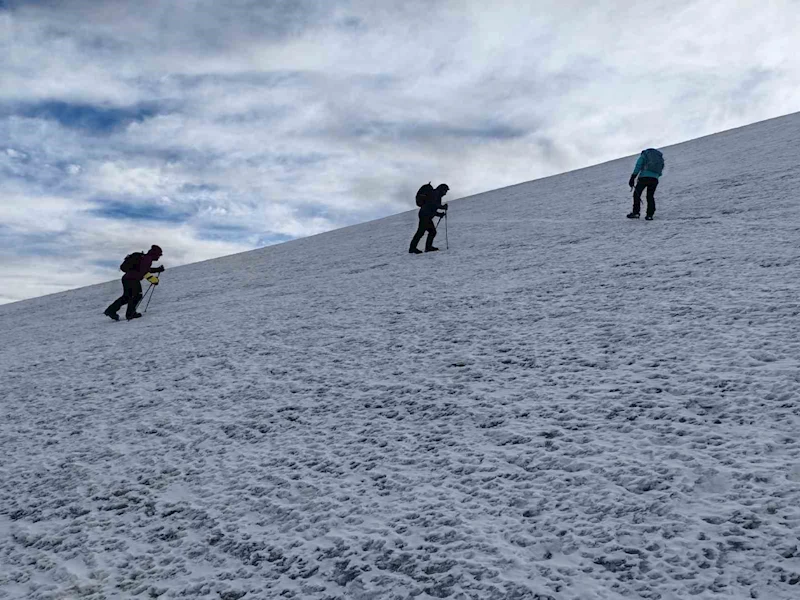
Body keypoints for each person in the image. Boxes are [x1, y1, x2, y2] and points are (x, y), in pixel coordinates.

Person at [104, 245, 164, 321]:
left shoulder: (144, 258)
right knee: (137, 296)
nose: (159, 257)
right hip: (133, 279)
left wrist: (157, 270)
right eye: (159, 255)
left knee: (126, 297)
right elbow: (144, 272)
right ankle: (130, 314)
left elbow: (144, 269)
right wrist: (153, 280)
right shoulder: (147, 259)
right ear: (155, 254)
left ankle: (111, 310)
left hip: (126, 278)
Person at [409, 183, 449, 254]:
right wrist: (442, 207)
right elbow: (433, 205)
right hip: (425, 215)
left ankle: (419, 248)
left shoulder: (436, 194)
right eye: (445, 191)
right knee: (424, 232)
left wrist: (439, 214)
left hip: (425, 215)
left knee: (426, 232)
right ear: (442, 189)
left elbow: (432, 208)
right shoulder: (435, 193)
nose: (445, 193)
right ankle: (419, 248)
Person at [627, 148, 664, 220]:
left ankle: (636, 213)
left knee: (637, 194)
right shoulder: (659, 157)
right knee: (650, 196)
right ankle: (650, 215)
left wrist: (633, 177)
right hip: (655, 179)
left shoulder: (644, 155)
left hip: (644, 177)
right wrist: (656, 176)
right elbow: (661, 167)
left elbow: (638, 166)